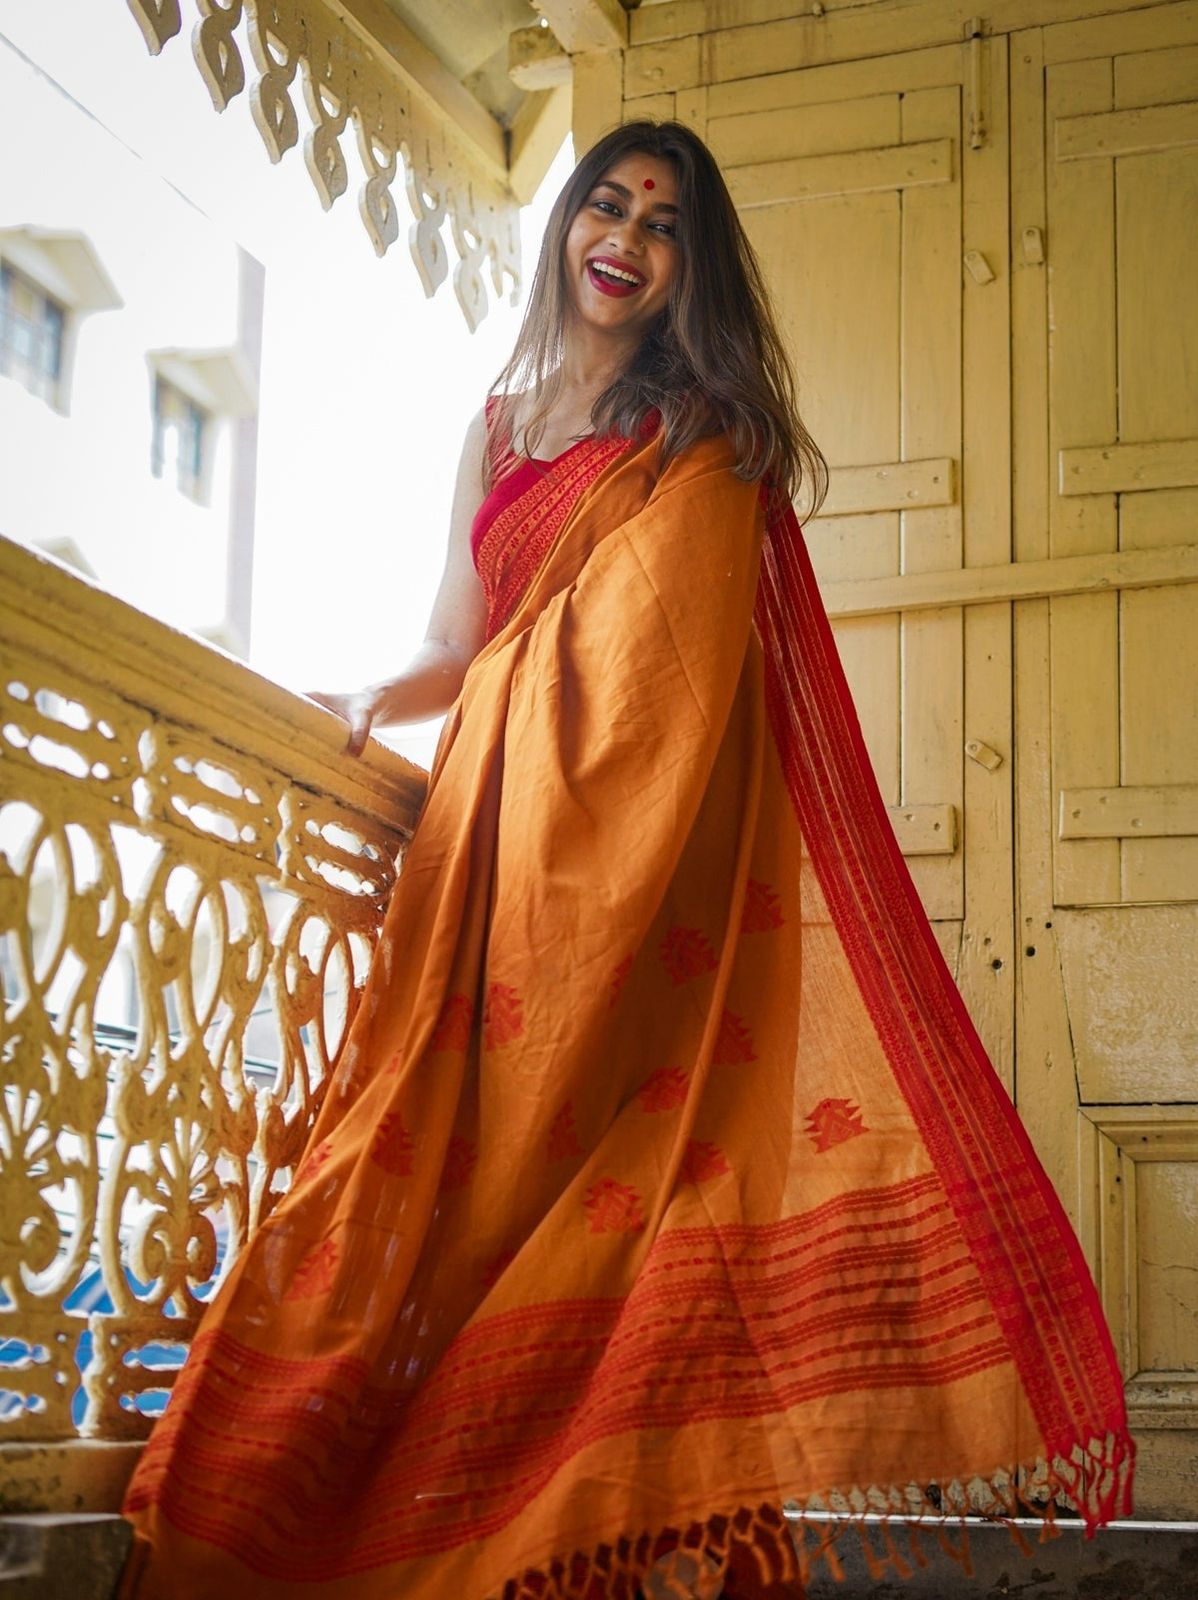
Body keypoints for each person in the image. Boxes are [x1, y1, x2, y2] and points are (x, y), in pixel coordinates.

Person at [118, 121, 1134, 1600]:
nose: (627, 235)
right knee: (406, 1175)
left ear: (684, 269)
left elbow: (673, 665)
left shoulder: (699, 440)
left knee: (614, 1204)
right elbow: (454, 644)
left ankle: (563, 1530)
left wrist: (544, 734)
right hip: (480, 866)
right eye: (607, 204)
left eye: (662, 223)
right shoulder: (498, 422)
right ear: (565, 229)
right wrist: (367, 697)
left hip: (617, 874)